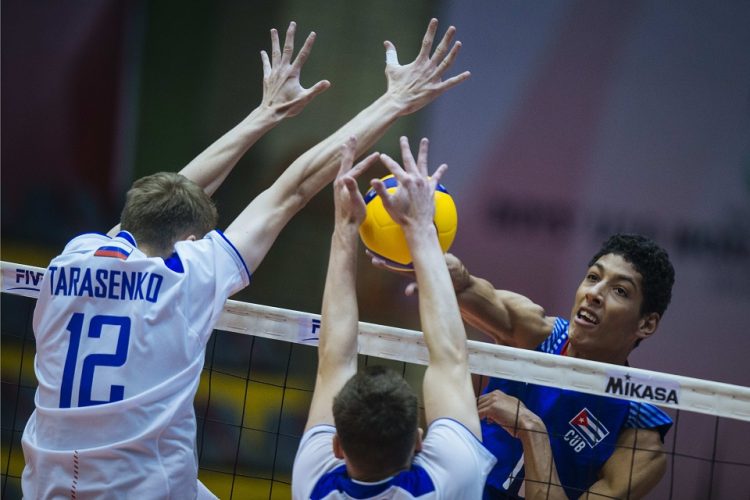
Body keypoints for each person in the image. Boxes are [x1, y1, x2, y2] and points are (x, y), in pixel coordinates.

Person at [21, 18, 470, 499]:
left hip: (46, 486)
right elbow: (292, 190)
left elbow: (169, 202)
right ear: (189, 237)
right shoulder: (187, 278)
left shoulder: (71, 260)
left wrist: (266, 114)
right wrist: (393, 102)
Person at [292, 136, 497, 499]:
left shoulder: (314, 485)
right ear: (419, 442)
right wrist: (419, 228)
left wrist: (344, 229)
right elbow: (449, 357)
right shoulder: (449, 482)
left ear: (337, 447)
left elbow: (333, 361)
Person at [440, 236, 675, 499]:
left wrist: (531, 428)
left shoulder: (638, 439)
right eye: (593, 277)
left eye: (620, 291)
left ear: (646, 324)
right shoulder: (537, 334)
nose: (594, 294)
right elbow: (465, 287)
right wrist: (443, 268)